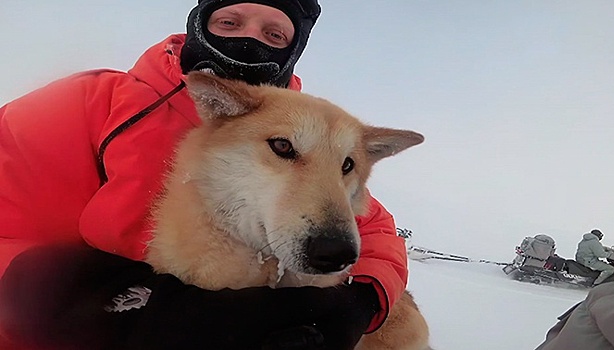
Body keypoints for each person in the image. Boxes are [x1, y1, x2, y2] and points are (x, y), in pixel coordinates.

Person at [0, 1, 410, 349]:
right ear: (200, 24)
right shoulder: (87, 103)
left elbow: (374, 230)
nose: (249, 39)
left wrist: (366, 300)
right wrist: (104, 298)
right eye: (230, 22)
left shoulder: (323, 131)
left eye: (274, 34)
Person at [535, 237, 614, 350]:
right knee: (610, 269)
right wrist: (611, 255)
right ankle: (597, 282)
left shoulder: (586, 240)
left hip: (582, 260)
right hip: (590, 261)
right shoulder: (607, 301)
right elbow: (600, 253)